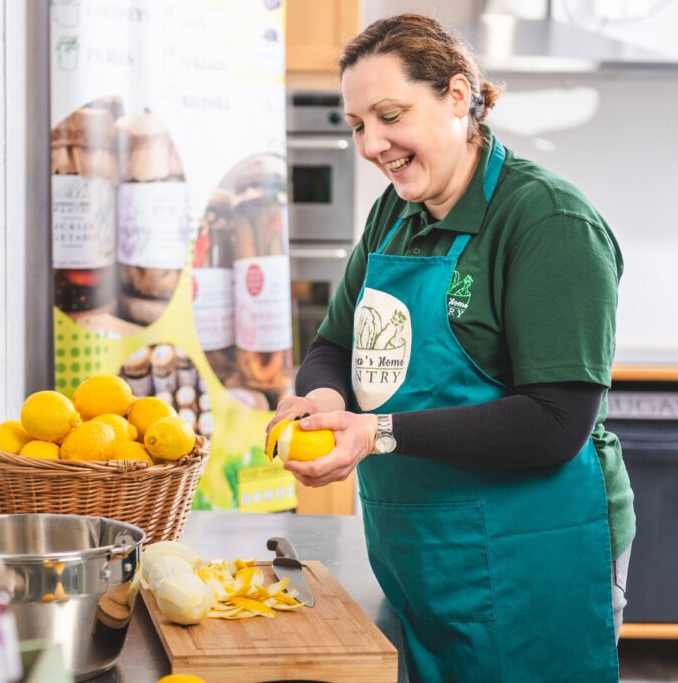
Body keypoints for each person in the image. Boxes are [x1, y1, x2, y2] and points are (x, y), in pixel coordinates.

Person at [267, 13, 635, 682]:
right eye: (357, 124)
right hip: (422, 550)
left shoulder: (547, 221)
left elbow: (556, 424)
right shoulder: (395, 214)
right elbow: (333, 342)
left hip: (531, 554)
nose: (372, 143)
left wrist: (373, 431)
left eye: (390, 114)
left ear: (458, 98)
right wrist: (323, 400)